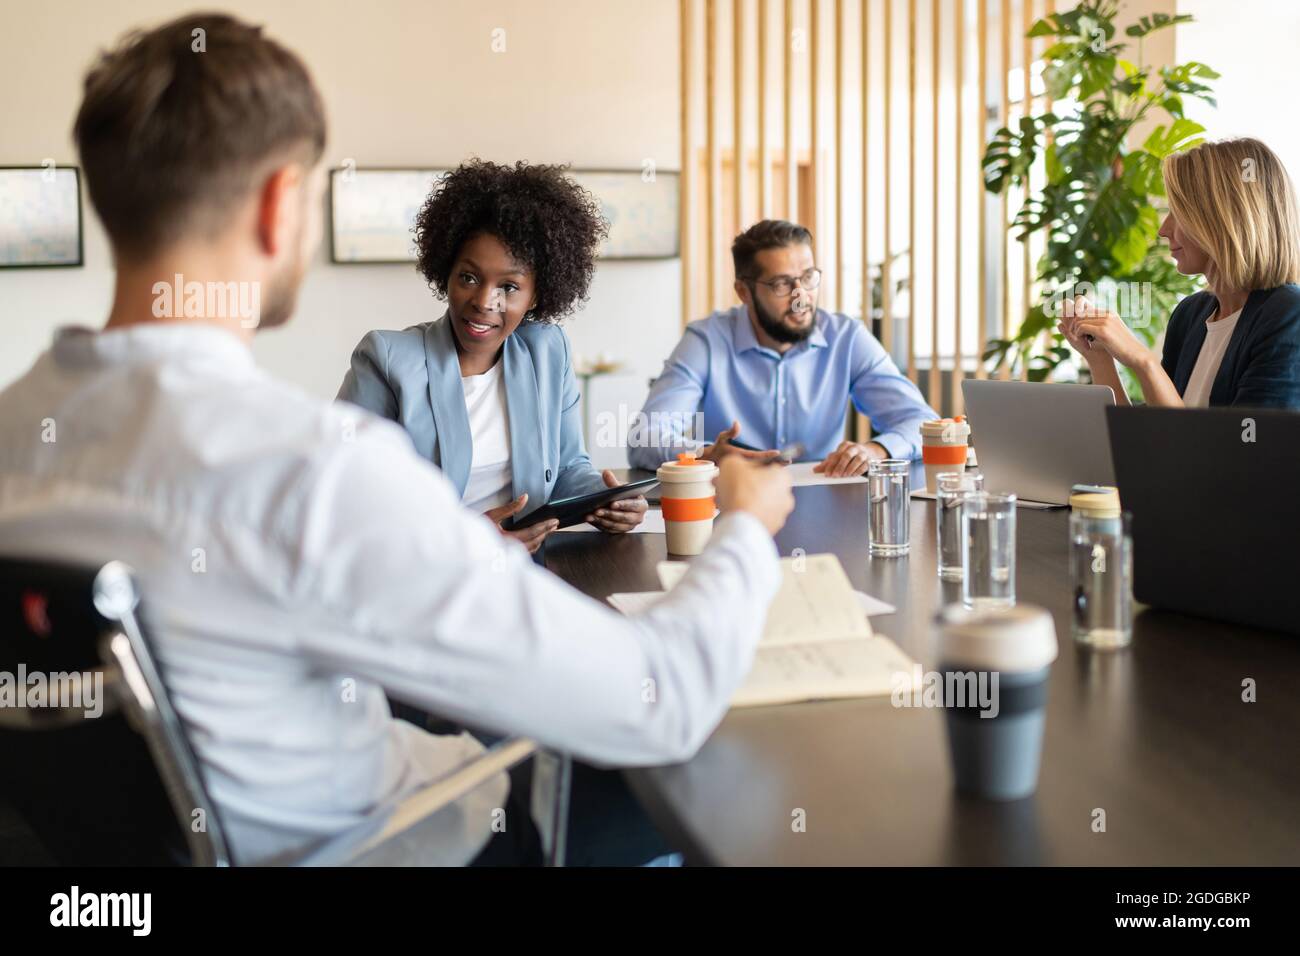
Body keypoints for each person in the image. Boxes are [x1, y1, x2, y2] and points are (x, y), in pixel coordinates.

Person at [0, 13, 793, 866]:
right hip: (389, 838)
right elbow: (659, 698)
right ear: (279, 204)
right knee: (714, 782)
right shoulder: (314, 471)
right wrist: (745, 527)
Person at [338, 161, 645, 554]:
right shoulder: (386, 359)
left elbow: (568, 469)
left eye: (509, 286)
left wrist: (607, 500)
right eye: (468, 277)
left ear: (536, 295)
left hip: (527, 572)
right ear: (446, 273)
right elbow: (345, 495)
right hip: (421, 574)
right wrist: (467, 536)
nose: (485, 301)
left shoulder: (548, 352)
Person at [628, 219, 939, 477]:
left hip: (825, 504)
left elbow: (921, 423)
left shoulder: (847, 337)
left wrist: (876, 450)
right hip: (732, 506)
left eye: (807, 277)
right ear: (743, 291)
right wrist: (705, 455)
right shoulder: (706, 341)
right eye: (781, 284)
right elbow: (644, 438)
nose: (800, 296)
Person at [1059, 137, 1300, 408]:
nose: (1163, 230)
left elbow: (1242, 448)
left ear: (1222, 218)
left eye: (1178, 212)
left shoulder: (1289, 313)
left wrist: (1143, 361)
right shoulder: (1190, 314)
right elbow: (1152, 440)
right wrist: (1099, 356)